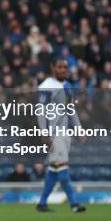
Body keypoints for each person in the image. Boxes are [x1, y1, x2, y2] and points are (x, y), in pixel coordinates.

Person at [36, 58, 86, 213]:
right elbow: (41, 111)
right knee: (63, 167)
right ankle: (73, 204)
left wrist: (79, 128)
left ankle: (42, 203)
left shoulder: (67, 85)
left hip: (65, 133)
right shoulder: (46, 86)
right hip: (53, 133)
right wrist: (44, 133)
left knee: (54, 168)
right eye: (60, 67)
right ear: (53, 67)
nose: (63, 70)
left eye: (65, 67)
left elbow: (71, 109)